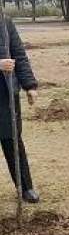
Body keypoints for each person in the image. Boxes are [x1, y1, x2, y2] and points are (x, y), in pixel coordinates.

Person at [0, 18, 39, 203]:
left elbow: (19, 55)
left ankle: (25, 187)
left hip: (6, 96)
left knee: (13, 141)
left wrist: (30, 86)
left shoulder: (6, 24)